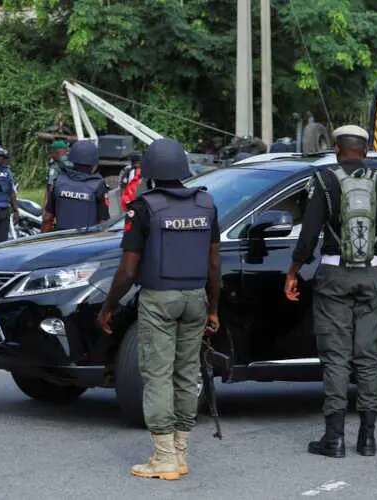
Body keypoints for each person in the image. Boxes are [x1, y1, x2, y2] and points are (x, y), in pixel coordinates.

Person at [97, 138, 221, 481]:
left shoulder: (143, 208)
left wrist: (108, 306)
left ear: (149, 171)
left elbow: (128, 269)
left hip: (159, 300)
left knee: (157, 376)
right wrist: (213, 307)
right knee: (186, 376)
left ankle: (164, 457)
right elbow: (214, 265)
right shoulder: (206, 204)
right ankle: (179, 452)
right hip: (196, 298)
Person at [284, 125, 377, 458]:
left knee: (336, 359)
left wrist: (294, 271)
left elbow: (308, 234)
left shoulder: (325, 180)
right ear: (365, 150)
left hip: (333, 275)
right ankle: (367, 439)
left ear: (337, 149)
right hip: (372, 276)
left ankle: (334, 439)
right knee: (368, 358)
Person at [42, 141, 110, 232]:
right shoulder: (99, 185)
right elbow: (104, 223)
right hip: (86, 242)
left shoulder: (59, 181)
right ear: (94, 163)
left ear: (71, 160)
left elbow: (47, 218)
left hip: (60, 240)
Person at [44, 140, 71, 210]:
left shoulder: (55, 165)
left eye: (52, 151)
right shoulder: (72, 161)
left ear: (56, 152)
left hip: (58, 200)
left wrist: (46, 206)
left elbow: (50, 187)